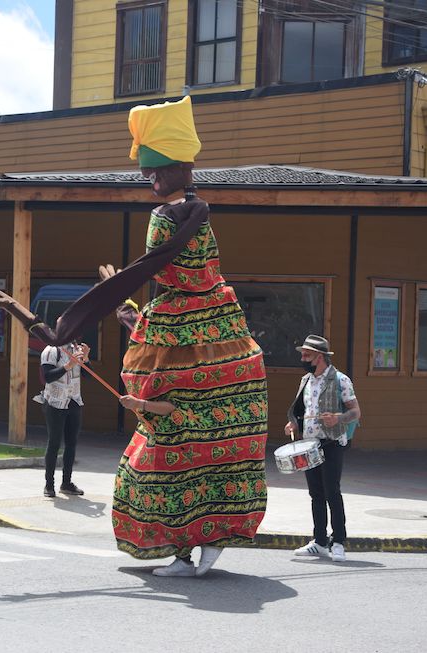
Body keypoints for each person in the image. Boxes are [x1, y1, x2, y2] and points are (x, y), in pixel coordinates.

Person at [111, 96, 268, 578]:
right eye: (148, 172)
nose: (149, 179)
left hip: (184, 334)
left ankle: (184, 551)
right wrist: (140, 318)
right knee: (206, 457)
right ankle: (208, 543)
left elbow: (164, 269)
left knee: (159, 463)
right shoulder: (201, 214)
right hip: (223, 334)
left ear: (181, 169)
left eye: (156, 172)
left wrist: (132, 310)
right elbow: (184, 275)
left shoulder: (163, 220)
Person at [285, 334, 361, 562]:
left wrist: (338, 418)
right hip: (310, 445)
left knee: (332, 492)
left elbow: (355, 413)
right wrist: (294, 423)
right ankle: (319, 542)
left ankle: (338, 541)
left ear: (319, 357)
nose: (302, 357)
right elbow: (302, 410)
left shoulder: (340, 380)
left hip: (331, 443)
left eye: (306, 354)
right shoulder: (306, 380)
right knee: (315, 494)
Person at [35, 341, 90, 498]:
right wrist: (68, 366)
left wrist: (85, 359)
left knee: (71, 444)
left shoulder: (76, 349)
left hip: (74, 401)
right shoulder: (51, 350)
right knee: (54, 443)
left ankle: (66, 483)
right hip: (55, 402)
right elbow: (47, 376)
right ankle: (49, 485)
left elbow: (87, 375)